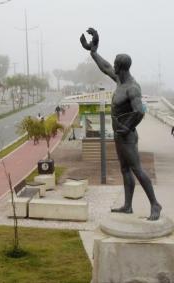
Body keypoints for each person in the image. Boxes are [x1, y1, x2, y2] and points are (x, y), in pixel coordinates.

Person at [81, 27, 162, 220]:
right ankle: (127, 206)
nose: (114, 67)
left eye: (116, 64)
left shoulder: (132, 88)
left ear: (123, 67)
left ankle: (155, 204)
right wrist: (93, 52)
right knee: (124, 170)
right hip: (119, 134)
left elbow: (140, 110)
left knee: (137, 169)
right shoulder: (119, 80)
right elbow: (105, 67)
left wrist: (129, 127)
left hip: (127, 136)